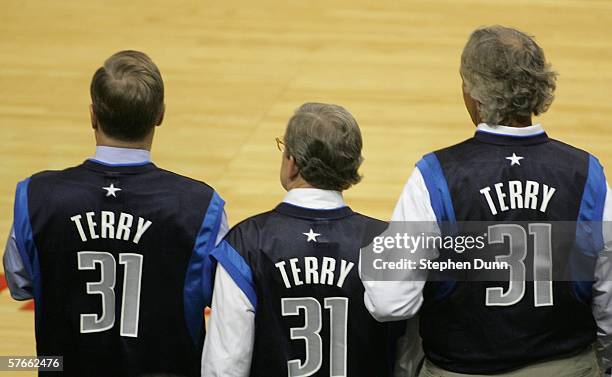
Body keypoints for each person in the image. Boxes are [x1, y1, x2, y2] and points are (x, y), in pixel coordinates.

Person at [361, 26, 612, 376]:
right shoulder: (587, 174)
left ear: (475, 94)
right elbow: (609, 301)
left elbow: (390, 302)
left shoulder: (435, 176)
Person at [2, 50, 227, 377]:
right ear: (160, 115)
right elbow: (223, 304)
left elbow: (20, 285)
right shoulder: (201, 205)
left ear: (93, 116)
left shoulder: (36, 196)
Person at [201, 102, 409, 377]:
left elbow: (225, 365)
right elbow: (407, 357)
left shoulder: (246, 243)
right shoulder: (387, 244)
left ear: (293, 164)